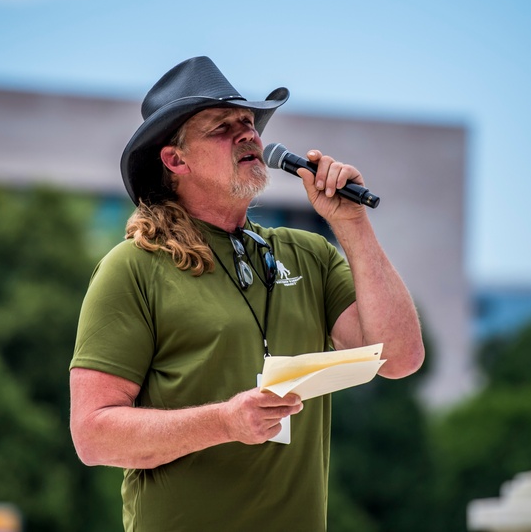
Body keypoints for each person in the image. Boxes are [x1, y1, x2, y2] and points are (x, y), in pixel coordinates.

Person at [69, 56, 424, 531]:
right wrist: (225, 422)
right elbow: (93, 435)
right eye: (222, 127)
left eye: (249, 123)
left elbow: (400, 358)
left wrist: (352, 225)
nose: (248, 134)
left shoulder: (309, 254)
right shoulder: (133, 267)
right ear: (176, 161)